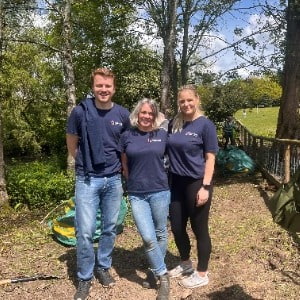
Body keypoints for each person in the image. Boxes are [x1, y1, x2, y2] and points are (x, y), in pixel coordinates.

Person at [66, 67, 130, 300]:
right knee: (84, 231)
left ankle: (103, 266)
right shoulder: (80, 112)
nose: (103, 90)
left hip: (114, 179)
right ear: (93, 87)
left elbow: (125, 146)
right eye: (99, 86)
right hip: (87, 179)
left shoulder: (122, 114)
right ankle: (84, 277)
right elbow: (72, 142)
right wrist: (83, 163)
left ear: (114, 88)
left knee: (110, 227)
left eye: (107, 86)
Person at [167, 85, 218, 289]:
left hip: (197, 183)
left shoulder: (205, 125)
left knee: (199, 228)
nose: (186, 104)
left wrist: (205, 186)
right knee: (177, 227)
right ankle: (186, 263)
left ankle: (202, 273)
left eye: (190, 100)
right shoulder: (174, 123)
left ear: (197, 100)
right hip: (176, 183)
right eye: (182, 101)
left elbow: (210, 158)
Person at [119, 98, 170, 300]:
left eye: (151, 113)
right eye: (143, 113)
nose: (147, 116)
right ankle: (163, 275)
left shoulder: (162, 135)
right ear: (137, 114)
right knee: (148, 237)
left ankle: (153, 269)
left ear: (155, 116)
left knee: (160, 233)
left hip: (160, 190)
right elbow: (124, 162)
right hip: (137, 193)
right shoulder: (127, 136)